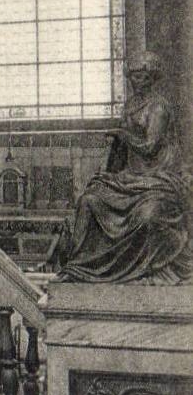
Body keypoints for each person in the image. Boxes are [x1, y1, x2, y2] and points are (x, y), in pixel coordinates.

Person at [60, 53, 192, 282]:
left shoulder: (159, 107)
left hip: (158, 179)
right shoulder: (131, 104)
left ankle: (143, 269)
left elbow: (150, 146)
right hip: (130, 177)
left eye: (141, 76)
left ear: (151, 78)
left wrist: (122, 134)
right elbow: (121, 151)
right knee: (88, 201)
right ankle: (79, 268)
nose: (135, 81)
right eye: (133, 76)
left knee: (147, 216)